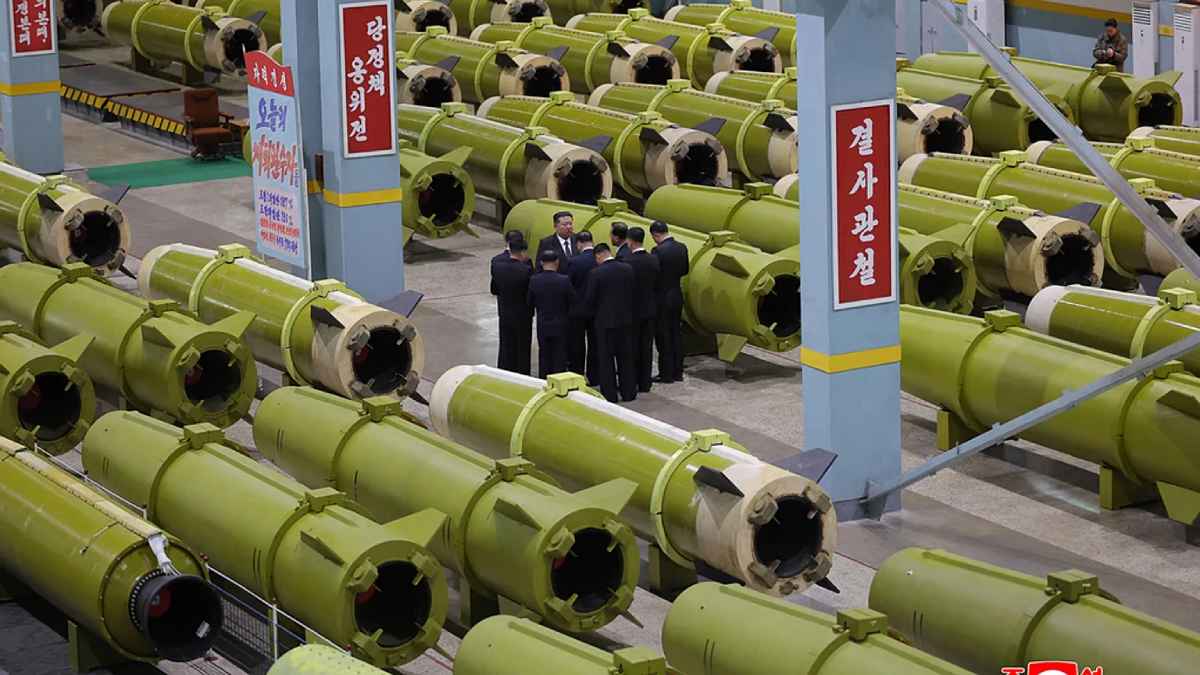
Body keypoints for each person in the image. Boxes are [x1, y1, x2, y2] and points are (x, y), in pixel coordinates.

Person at [584, 243, 637, 402]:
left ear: (598, 255)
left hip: (605, 322)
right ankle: (629, 392)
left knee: (606, 359)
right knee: (626, 358)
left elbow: (590, 299)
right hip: (626, 321)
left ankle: (610, 394)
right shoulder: (628, 269)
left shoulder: (596, 273)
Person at [528, 250, 576, 378]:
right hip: (561, 324)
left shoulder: (534, 280)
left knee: (544, 355)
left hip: (543, 323)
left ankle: (544, 380)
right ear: (557, 262)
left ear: (541, 263)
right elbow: (572, 300)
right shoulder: (564, 280)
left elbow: (530, 302)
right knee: (560, 355)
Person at [650, 220, 688, 383]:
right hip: (676, 295)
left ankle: (666, 373)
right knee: (676, 334)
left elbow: (654, 275)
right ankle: (678, 372)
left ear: (655, 235)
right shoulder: (682, 247)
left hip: (662, 298)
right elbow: (685, 270)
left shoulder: (658, 251)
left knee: (663, 336)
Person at [624, 226, 659, 393]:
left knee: (632, 347)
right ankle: (645, 382)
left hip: (632, 311)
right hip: (649, 309)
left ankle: (632, 381)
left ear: (630, 241)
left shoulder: (627, 262)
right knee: (646, 347)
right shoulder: (653, 259)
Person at [491, 238, 533, 375]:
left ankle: (505, 371)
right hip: (523, 314)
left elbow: (494, 289)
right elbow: (530, 293)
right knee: (522, 346)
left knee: (506, 344)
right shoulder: (526, 270)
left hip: (505, 312)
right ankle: (522, 372)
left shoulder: (497, 267)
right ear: (522, 252)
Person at [566, 230, 596, 378]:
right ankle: (593, 374)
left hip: (577, 308)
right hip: (595, 308)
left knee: (576, 343)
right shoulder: (599, 259)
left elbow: (569, 284)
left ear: (578, 243)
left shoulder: (574, 261)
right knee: (595, 343)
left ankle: (577, 373)